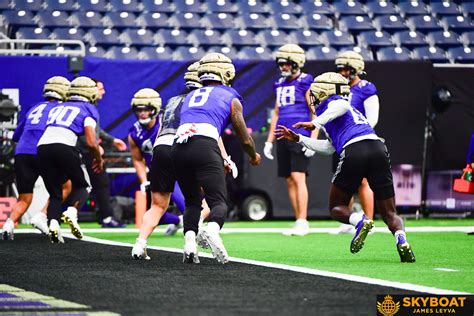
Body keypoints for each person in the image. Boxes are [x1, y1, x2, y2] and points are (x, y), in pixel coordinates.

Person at [275, 72, 416, 263]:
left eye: (315, 94)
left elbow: (341, 105)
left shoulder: (335, 103)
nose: (313, 99)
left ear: (324, 92)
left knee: (336, 207)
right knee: (390, 213)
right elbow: (329, 148)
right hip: (378, 148)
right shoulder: (337, 112)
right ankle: (401, 237)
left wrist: (314, 122)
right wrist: (299, 139)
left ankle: (360, 221)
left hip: (355, 150)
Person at [173, 53, 261, 264]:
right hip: (204, 145)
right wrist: (253, 155)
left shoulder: (188, 98)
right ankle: (212, 229)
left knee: (192, 201)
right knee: (218, 201)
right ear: (225, 73)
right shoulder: (230, 95)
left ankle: (189, 244)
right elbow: (245, 138)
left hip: (178, 146)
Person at [132, 62, 202, 260]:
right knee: (195, 202)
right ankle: (191, 244)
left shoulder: (171, 101)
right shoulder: (201, 101)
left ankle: (139, 245)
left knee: (157, 207)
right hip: (181, 149)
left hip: (160, 150)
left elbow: (159, 135)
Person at [2, 76, 70, 240]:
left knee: (24, 197)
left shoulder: (34, 107)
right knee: (65, 187)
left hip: (22, 152)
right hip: (44, 152)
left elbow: (16, 135)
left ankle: (8, 224)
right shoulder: (61, 110)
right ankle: (42, 216)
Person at [37, 76, 104, 243]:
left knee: (55, 192)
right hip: (65, 146)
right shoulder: (88, 108)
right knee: (83, 184)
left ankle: (53, 224)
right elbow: (90, 141)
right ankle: (72, 212)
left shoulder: (58, 107)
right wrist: (98, 158)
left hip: (42, 147)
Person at [264, 44, 317, 236]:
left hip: (299, 136)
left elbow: (314, 112)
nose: (283, 67)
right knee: (289, 179)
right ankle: (298, 220)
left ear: (296, 63)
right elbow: (277, 113)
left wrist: (312, 139)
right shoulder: (280, 83)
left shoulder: (305, 82)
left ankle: (303, 220)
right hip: (282, 136)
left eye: (286, 64)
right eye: (281, 64)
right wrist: (269, 141)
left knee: (298, 177)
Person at [127, 87, 186, 237]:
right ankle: (179, 221)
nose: (142, 113)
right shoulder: (134, 133)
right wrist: (144, 180)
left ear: (155, 109)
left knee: (186, 205)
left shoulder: (167, 122)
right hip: (156, 173)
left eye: (146, 109)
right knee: (151, 213)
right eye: (138, 110)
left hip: (176, 170)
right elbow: (138, 159)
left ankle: (199, 227)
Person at [334, 50, 380, 233]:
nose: (343, 73)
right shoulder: (338, 88)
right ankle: (350, 220)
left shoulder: (366, 88)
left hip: (360, 140)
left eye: (347, 69)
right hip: (341, 141)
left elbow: (372, 118)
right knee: (344, 181)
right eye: (341, 69)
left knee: (362, 181)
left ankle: (369, 221)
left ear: (357, 69)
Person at [76, 79, 127, 228]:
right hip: (84, 152)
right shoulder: (87, 108)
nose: (103, 92)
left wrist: (112, 140)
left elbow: (96, 130)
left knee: (98, 184)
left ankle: (104, 216)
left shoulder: (89, 107)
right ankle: (105, 217)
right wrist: (95, 147)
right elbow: (83, 134)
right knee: (93, 184)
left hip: (87, 150)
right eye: (100, 88)